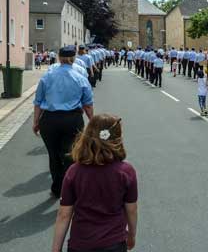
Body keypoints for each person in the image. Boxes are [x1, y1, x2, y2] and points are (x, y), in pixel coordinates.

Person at [51, 114, 138, 252]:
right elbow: (131, 210)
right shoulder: (126, 172)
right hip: (114, 243)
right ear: (117, 139)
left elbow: (64, 214)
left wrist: (56, 249)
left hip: (81, 244)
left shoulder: (74, 172)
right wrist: (132, 235)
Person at [32, 46, 94, 198]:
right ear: (74, 59)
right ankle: (70, 189)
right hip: (72, 119)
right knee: (70, 155)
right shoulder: (80, 77)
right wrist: (93, 121)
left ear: (59, 58)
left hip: (50, 119)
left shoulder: (48, 76)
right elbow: (87, 104)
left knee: (53, 155)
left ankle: (57, 187)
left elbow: (38, 102)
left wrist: (36, 122)